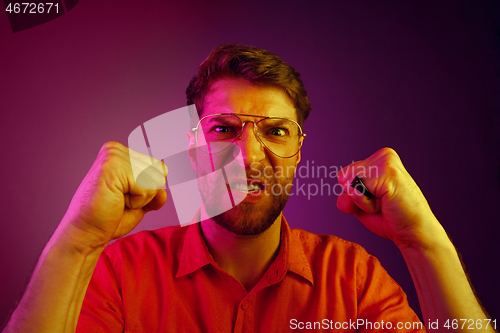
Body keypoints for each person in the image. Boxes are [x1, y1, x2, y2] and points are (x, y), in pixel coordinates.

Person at [2, 44, 496, 333]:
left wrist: (423, 240)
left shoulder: (355, 282)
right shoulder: (119, 273)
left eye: (276, 132)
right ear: (191, 145)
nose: (249, 158)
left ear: (299, 150)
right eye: (224, 129)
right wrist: (78, 239)